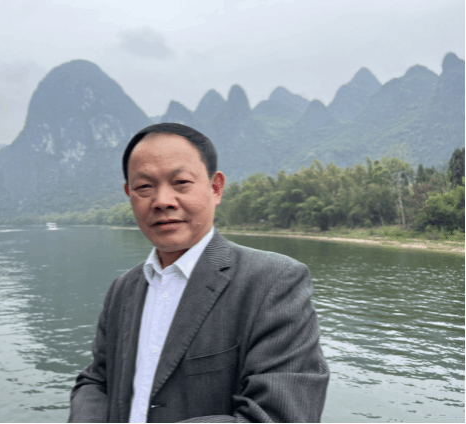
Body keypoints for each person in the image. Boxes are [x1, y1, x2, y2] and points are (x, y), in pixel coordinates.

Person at [68, 123, 329, 423]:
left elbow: (279, 414)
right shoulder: (123, 288)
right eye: (144, 187)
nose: (162, 201)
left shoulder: (274, 282)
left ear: (215, 188)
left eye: (181, 182)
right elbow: (97, 379)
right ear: (130, 194)